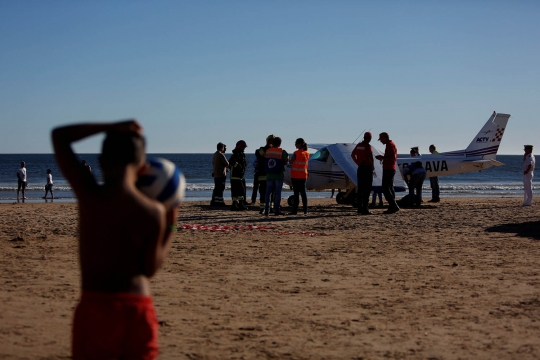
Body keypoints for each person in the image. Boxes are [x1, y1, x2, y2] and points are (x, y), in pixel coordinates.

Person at [52, 120, 178, 359]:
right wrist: (171, 224)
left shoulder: (90, 195)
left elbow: (59, 136)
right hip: (138, 307)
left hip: (96, 306)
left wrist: (113, 126)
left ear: (100, 161)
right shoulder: (154, 212)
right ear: (142, 167)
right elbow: (149, 269)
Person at [375, 132, 400, 214]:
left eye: (381, 139)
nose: (381, 141)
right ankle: (392, 206)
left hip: (389, 168)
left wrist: (382, 157)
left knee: (385, 188)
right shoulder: (391, 144)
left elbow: (392, 156)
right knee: (390, 188)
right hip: (390, 168)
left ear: (385, 138)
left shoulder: (390, 145)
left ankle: (394, 205)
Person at [263, 136, 289, 216]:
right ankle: (277, 210)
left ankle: (266, 210)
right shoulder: (282, 151)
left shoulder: (267, 151)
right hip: (278, 174)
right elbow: (285, 162)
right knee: (277, 193)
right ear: (280, 143)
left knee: (268, 193)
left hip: (269, 174)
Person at [351, 132, 375, 215]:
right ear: (370, 138)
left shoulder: (358, 146)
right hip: (367, 168)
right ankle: (365, 208)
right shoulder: (368, 146)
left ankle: (360, 208)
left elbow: (353, 155)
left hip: (360, 167)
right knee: (367, 189)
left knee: (360, 188)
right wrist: (372, 167)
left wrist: (357, 162)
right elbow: (370, 157)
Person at [288, 138, 310, 215]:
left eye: (296, 143)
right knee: (303, 193)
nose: (295, 145)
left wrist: (289, 160)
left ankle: (295, 210)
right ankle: (305, 210)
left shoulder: (296, 153)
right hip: (303, 175)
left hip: (295, 175)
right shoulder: (307, 153)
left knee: (296, 193)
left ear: (300, 144)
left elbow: (291, 161)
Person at [255, 135, 275, 214]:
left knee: (273, 193)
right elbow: (258, 153)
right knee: (263, 192)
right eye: (270, 141)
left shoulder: (275, 150)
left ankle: (271, 208)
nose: (271, 142)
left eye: (273, 141)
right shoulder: (262, 149)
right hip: (263, 174)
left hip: (272, 174)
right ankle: (262, 208)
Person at [229, 140, 248, 211]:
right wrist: (238, 166)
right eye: (243, 147)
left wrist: (244, 167)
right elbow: (231, 161)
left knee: (241, 191)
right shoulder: (236, 154)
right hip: (235, 175)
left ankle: (240, 204)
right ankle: (235, 204)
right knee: (236, 191)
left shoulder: (241, 154)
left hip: (240, 176)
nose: (244, 148)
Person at [211, 142, 229, 207]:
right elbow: (227, 163)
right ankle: (220, 202)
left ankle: (214, 201)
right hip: (221, 174)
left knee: (217, 188)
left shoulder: (214, 154)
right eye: (224, 147)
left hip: (216, 174)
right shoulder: (221, 155)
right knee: (221, 188)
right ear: (221, 148)